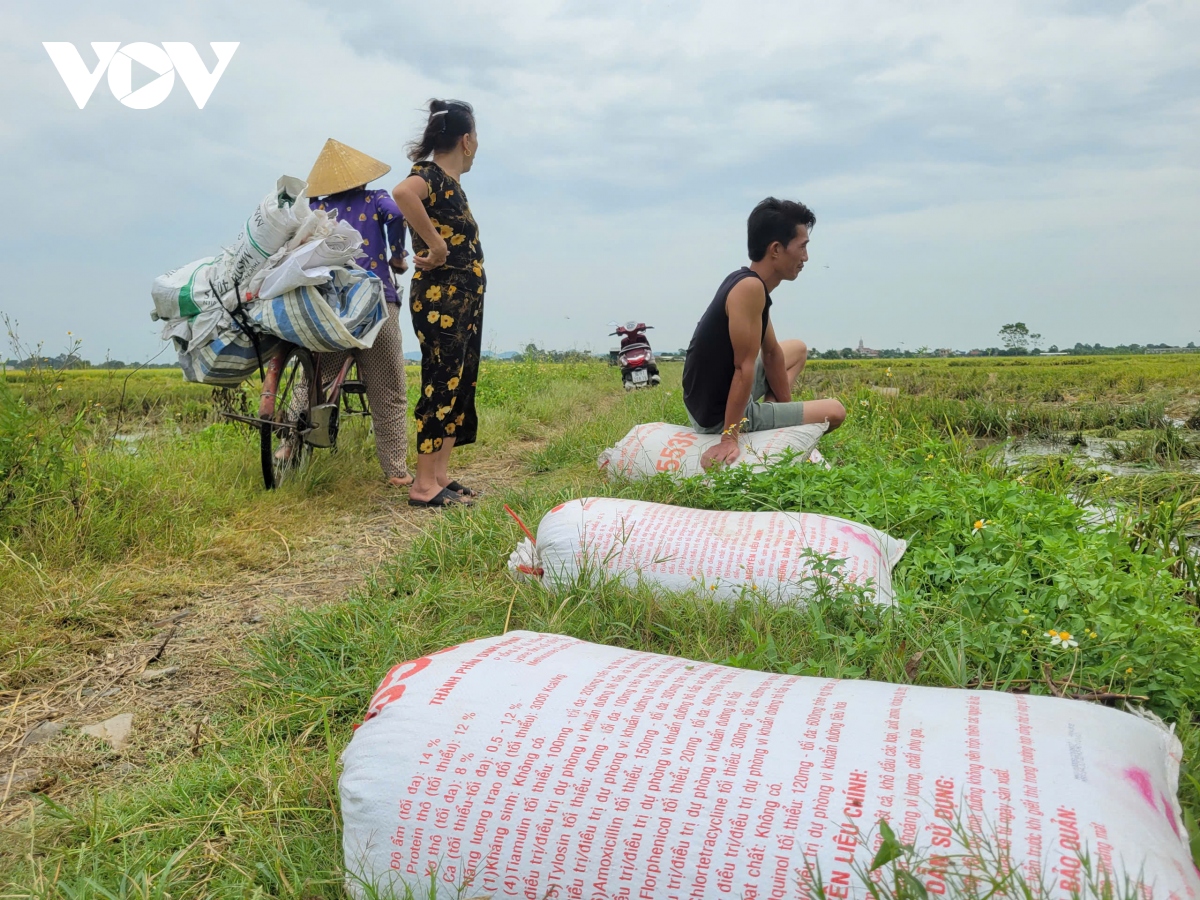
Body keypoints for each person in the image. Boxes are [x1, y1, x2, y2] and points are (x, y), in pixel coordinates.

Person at [682, 197, 846, 471]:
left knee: (797, 349)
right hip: (715, 415)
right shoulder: (750, 289)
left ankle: (775, 424)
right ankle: (753, 429)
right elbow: (743, 368)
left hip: (714, 396)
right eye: (802, 247)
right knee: (836, 411)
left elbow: (771, 354)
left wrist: (787, 414)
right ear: (776, 249)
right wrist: (728, 438)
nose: (806, 257)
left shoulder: (747, 280)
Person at [303, 138, 413, 486]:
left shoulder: (315, 207)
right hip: (375, 298)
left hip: (329, 301)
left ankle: (288, 446)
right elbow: (396, 214)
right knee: (388, 387)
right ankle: (396, 471)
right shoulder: (375, 198)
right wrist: (397, 255)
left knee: (315, 380)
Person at [391, 100, 485, 508]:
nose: (477, 145)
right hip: (440, 298)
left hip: (462, 298)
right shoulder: (428, 176)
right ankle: (423, 485)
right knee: (440, 382)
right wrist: (437, 243)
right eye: (476, 137)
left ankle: (439, 475)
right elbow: (400, 194)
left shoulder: (451, 184)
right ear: (466, 141)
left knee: (458, 384)